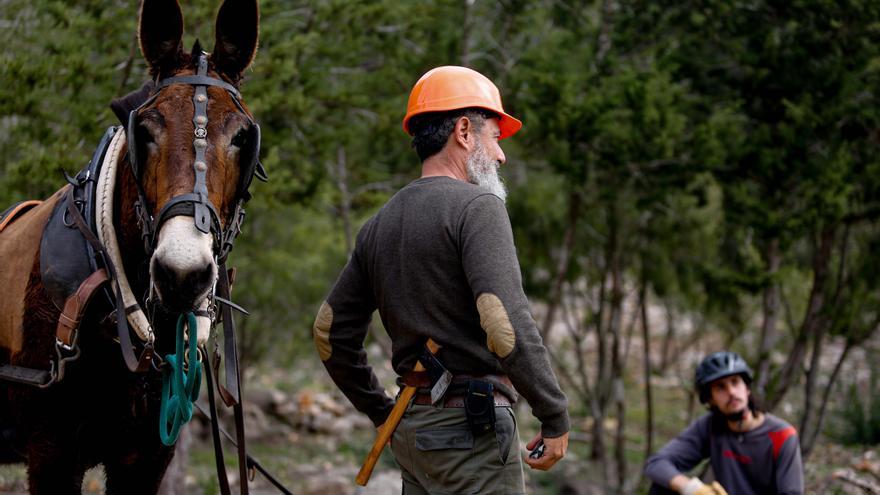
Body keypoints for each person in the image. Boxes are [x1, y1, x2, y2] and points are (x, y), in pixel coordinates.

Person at [312, 65, 570, 494]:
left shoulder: (379, 223)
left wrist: (381, 412)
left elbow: (328, 332)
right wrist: (554, 413)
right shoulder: (478, 207)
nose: (502, 155)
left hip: (412, 428)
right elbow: (503, 323)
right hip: (472, 433)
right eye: (495, 138)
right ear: (464, 132)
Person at [644, 351, 804, 495]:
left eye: (735, 382)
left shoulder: (782, 435)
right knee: (663, 487)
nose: (731, 392)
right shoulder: (710, 426)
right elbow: (657, 463)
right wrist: (693, 489)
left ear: (747, 388)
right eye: (720, 387)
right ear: (710, 399)